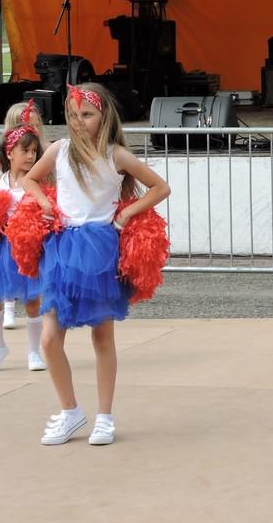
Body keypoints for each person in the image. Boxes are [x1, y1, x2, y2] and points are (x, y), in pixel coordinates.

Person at [22, 83, 170, 446]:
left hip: (99, 249)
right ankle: (70, 411)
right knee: (49, 338)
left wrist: (127, 215)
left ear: (104, 116)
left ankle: (105, 417)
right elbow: (29, 179)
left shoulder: (115, 155)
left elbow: (160, 188)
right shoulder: (59, 150)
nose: (79, 122)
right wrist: (43, 201)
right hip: (62, 248)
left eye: (86, 115)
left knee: (102, 336)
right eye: (73, 115)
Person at [0, 108, 46, 373]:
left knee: (32, 300)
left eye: (34, 152)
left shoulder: (34, 181)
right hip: (1, 246)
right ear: (10, 153)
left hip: (27, 247)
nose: (30, 156)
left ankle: (34, 352)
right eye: (25, 151)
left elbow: (44, 208)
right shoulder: (2, 179)